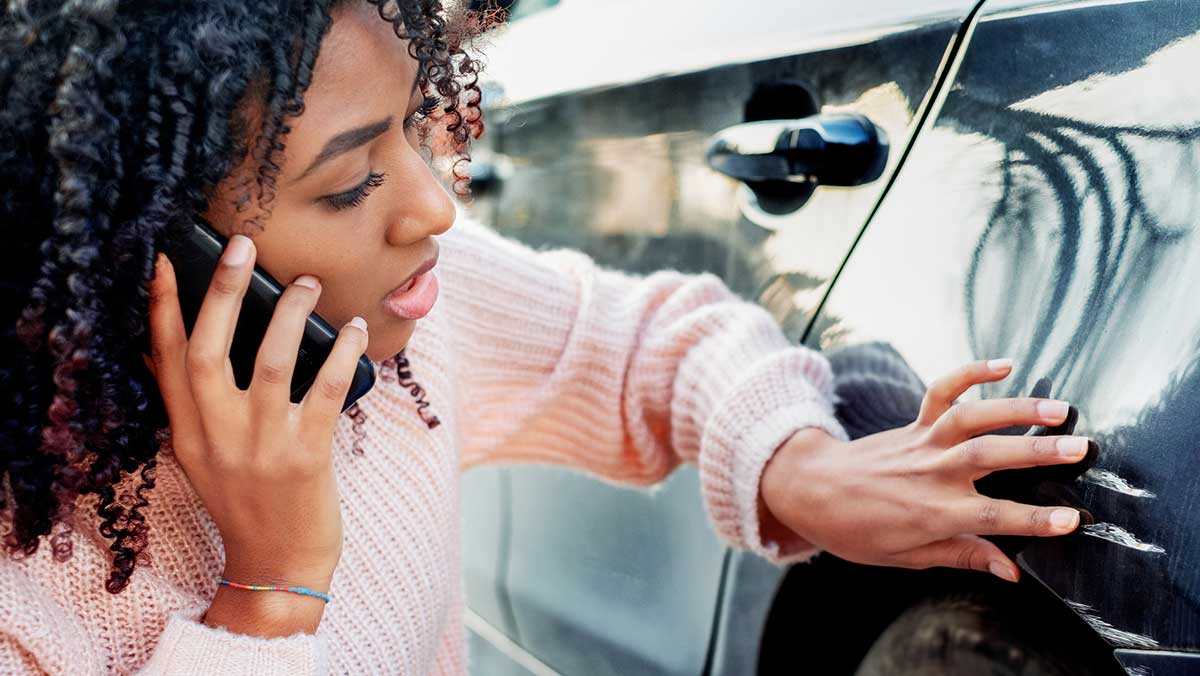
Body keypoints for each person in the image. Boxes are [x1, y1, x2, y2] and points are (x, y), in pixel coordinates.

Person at [0, 1, 1092, 673]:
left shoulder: (398, 325)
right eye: (350, 183)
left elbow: (646, 340)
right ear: (145, 249)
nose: (434, 211)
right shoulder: (29, 583)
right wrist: (270, 593)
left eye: (415, 130)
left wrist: (797, 465)